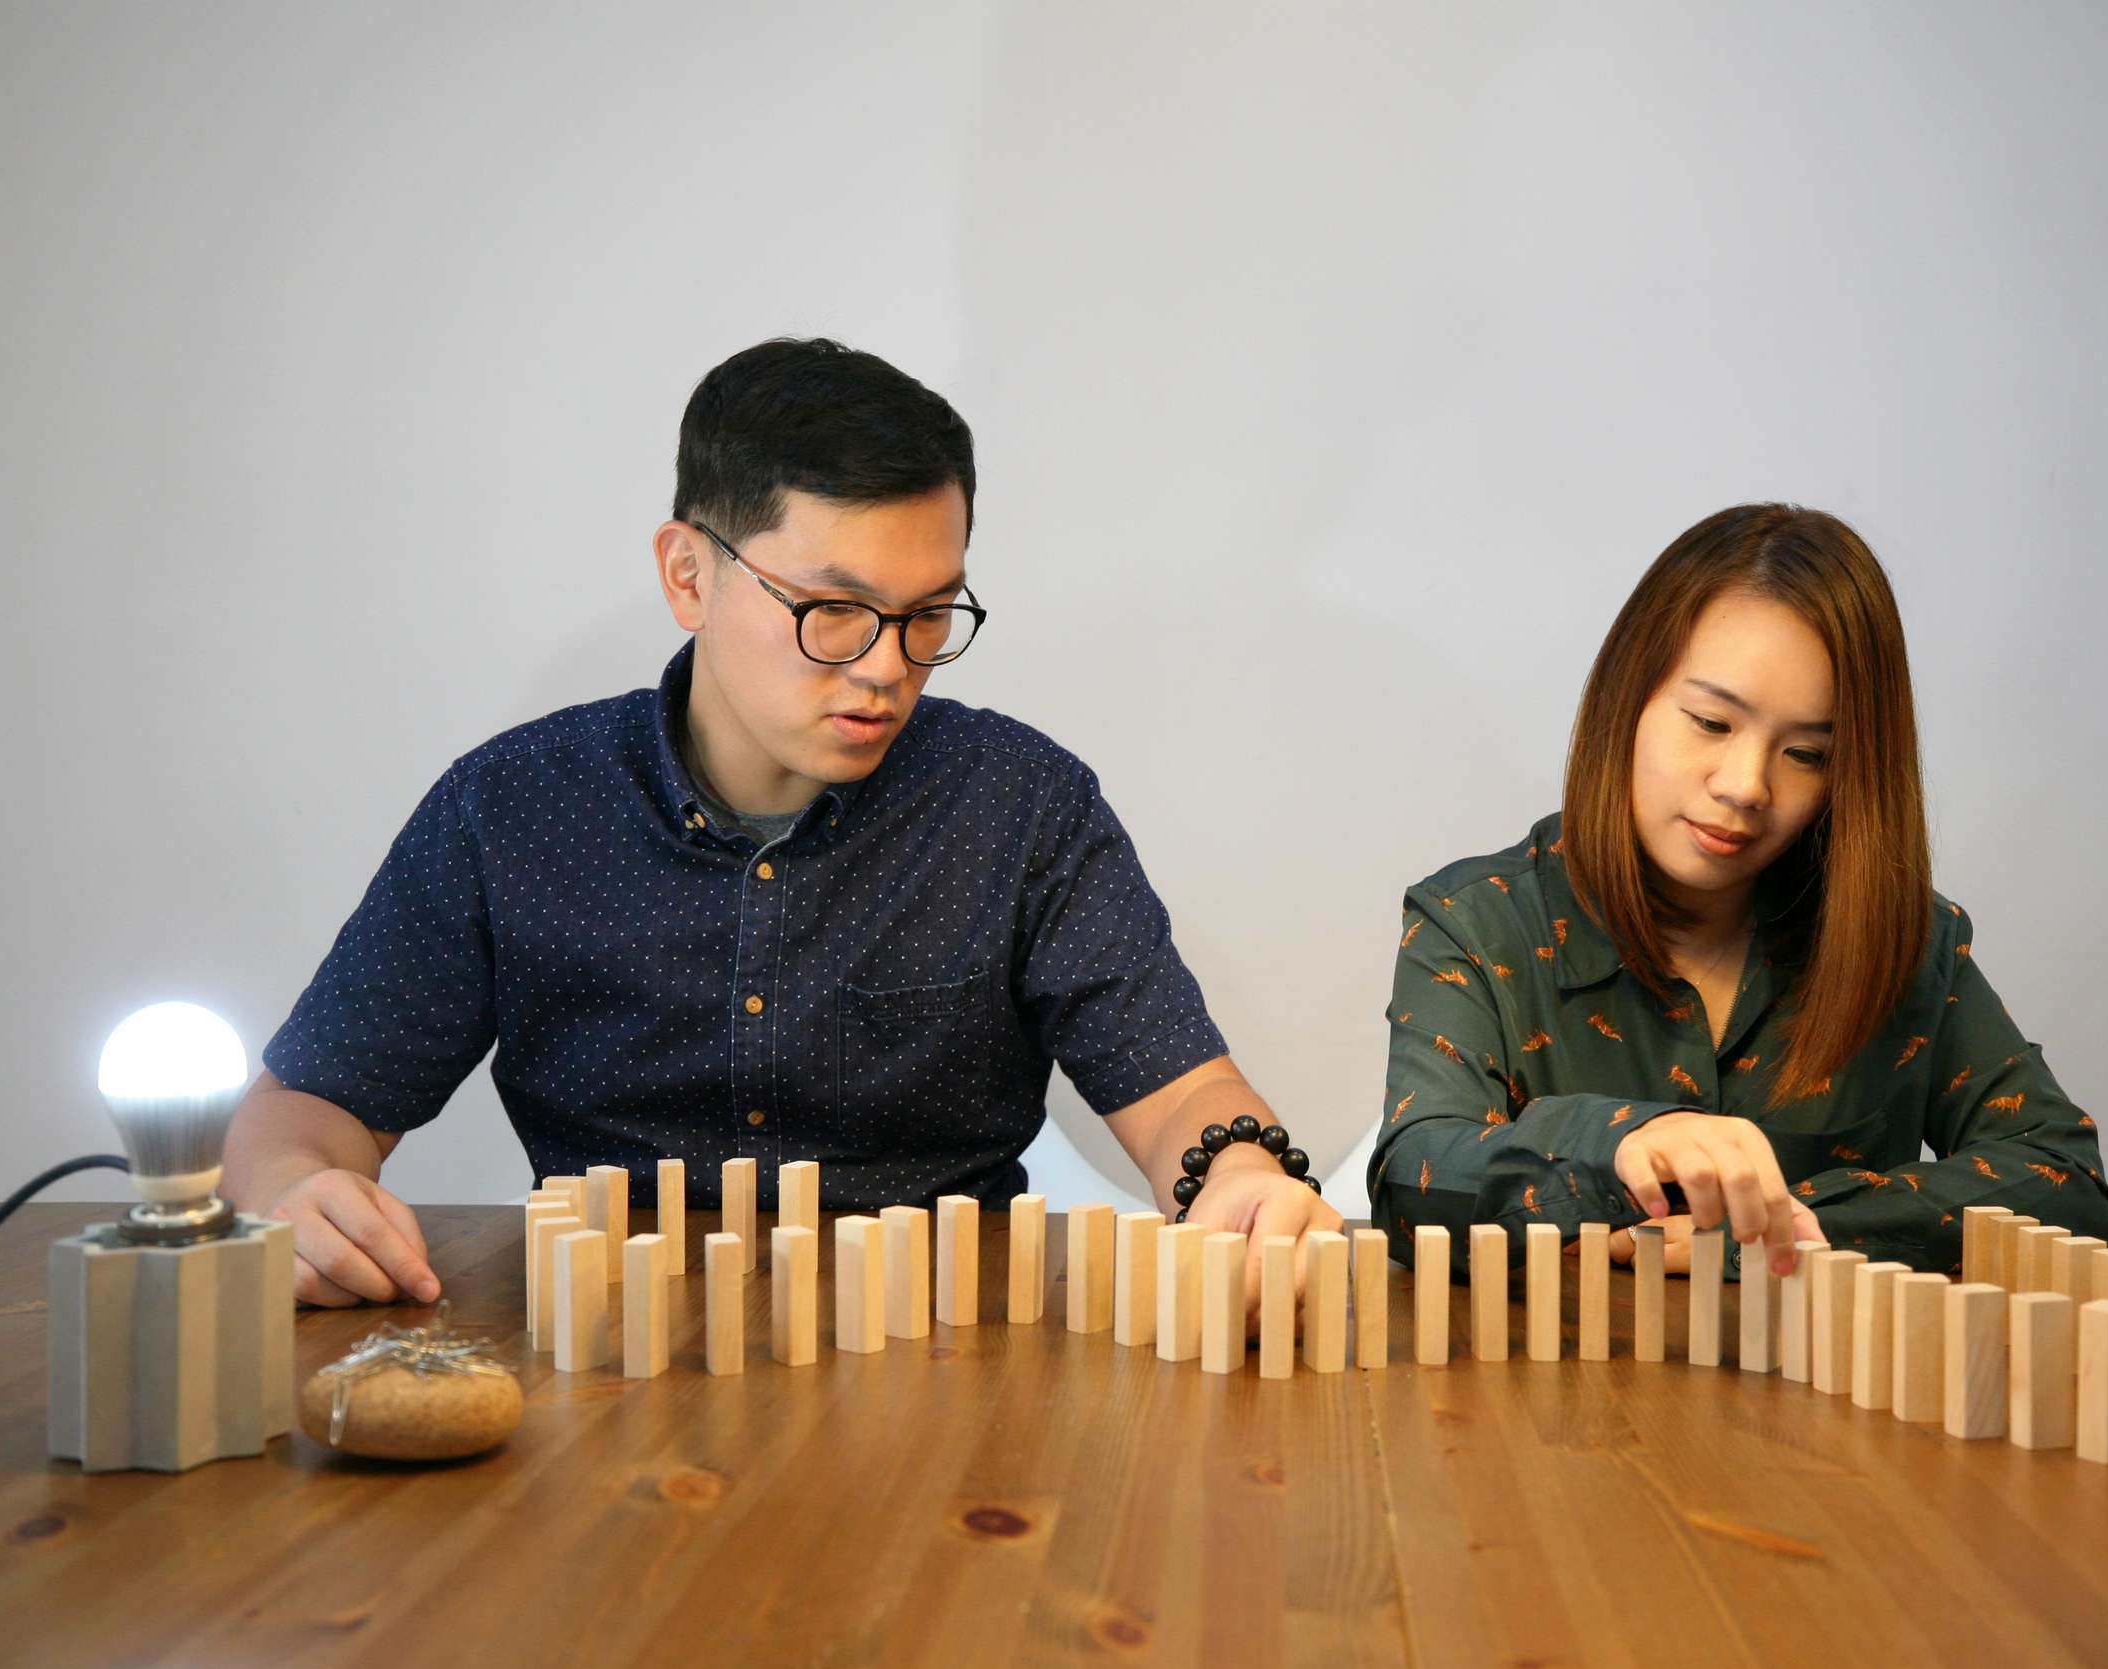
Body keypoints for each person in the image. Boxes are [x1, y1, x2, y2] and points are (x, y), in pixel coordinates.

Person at [228, 337, 1340, 1309]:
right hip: (609, 1353)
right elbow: (312, 1104)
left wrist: (1239, 1168)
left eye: (929, 616)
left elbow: (1184, 1090)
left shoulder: (1019, 802)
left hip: (944, 1356)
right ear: (687, 574)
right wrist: (294, 1193)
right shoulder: (512, 806)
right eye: (834, 611)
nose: (886, 669)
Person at [1369, 504, 2108, 1282]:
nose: (1745, 786)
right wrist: (1622, 1145)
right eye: (1711, 722)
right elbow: (1414, 1177)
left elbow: (2063, 1176)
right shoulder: (1479, 922)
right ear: (1627, 702)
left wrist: (1771, 1231)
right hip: (1555, 1396)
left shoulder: (1902, 944)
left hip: (1822, 1397)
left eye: (1805, 753)